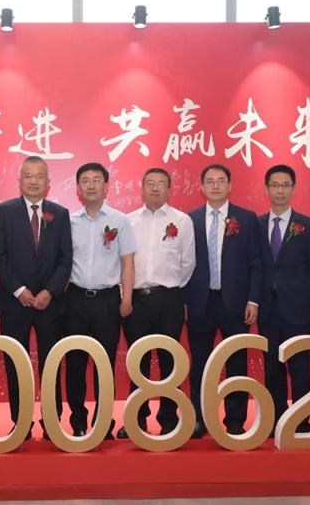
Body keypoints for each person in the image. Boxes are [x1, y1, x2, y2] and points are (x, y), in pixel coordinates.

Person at [0, 156, 72, 439]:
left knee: (52, 363)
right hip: (14, 303)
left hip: (50, 304)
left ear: (48, 183)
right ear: (19, 181)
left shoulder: (60, 213)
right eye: (28, 176)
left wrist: (49, 291)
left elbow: (65, 259)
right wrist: (19, 290)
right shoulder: (4, 211)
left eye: (39, 176)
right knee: (17, 363)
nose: (34, 181)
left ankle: (52, 421)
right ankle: (21, 422)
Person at [116, 167, 195, 439]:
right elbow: (121, 262)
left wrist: (169, 288)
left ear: (169, 189)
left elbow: (188, 263)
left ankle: (169, 419)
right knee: (137, 361)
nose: (155, 188)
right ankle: (136, 420)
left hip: (168, 299)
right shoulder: (127, 221)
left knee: (169, 361)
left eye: (161, 184)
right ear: (142, 188)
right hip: (136, 300)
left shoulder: (182, 221)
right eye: (150, 183)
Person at [184, 164, 262, 438]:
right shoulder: (189, 220)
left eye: (221, 181)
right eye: (210, 181)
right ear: (202, 187)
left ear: (230, 186)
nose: (215, 186)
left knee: (237, 363)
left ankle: (235, 420)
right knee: (200, 363)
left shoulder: (247, 218)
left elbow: (256, 263)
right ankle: (198, 418)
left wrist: (253, 300)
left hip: (237, 304)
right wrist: (184, 301)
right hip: (200, 303)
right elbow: (182, 263)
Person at [64, 162, 137, 439]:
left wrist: (126, 298)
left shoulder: (120, 220)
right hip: (75, 299)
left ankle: (102, 421)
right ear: (78, 187)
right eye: (86, 180)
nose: (91, 185)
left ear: (106, 186)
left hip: (108, 300)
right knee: (75, 363)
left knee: (104, 364)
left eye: (97, 180)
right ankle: (78, 422)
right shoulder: (69, 221)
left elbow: (127, 263)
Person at [257, 164, 310, 436]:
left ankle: (301, 422)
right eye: (275, 185)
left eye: (285, 185)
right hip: (267, 309)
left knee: (300, 367)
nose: (280, 190)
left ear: (293, 188)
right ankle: (276, 419)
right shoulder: (256, 225)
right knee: (272, 367)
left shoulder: (309, 226)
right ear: (266, 189)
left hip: (297, 308)